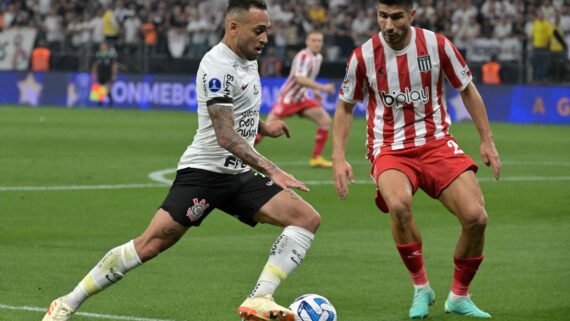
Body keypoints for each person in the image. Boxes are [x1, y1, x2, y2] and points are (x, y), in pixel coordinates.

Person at [42, 1, 320, 321]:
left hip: (238, 173)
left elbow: (239, 107)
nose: (265, 38)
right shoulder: (217, 65)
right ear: (233, 27)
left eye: (267, 31)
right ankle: (66, 303)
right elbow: (225, 135)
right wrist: (274, 169)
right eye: (259, 30)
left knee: (305, 219)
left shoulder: (249, 59)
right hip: (203, 173)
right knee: (149, 245)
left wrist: (265, 127)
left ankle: (260, 297)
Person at [332, 0, 501, 319]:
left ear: (412, 14)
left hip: (437, 143)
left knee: (476, 218)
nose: (389, 25)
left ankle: (459, 296)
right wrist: (338, 157)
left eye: (397, 17)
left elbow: (467, 89)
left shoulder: (437, 46)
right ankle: (421, 288)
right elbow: (344, 106)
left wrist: (487, 140)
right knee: (398, 205)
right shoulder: (363, 56)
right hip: (389, 147)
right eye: (383, 16)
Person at [256, 30, 336, 168]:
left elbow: (308, 78)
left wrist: (315, 91)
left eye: (319, 41)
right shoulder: (303, 56)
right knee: (266, 129)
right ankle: (239, 153)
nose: (317, 43)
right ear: (307, 42)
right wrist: (322, 88)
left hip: (302, 99)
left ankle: (316, 158)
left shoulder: (318, 58)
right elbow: (300, 79)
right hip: (288, 98)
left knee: (325, 120)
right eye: (314, 40)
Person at [91, 42, 118, 107]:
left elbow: (114, 65)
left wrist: (114, 74)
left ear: (106, 46)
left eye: (104, 46)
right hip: (100, 73)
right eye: (101, 46)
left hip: (108, 73)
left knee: (108, 87)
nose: (102, 47)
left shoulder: (110, 55)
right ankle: (100, 103)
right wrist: (94, 74)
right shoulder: (98, 54)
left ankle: (110, 102)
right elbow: (95, 65)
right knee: (100, 88)